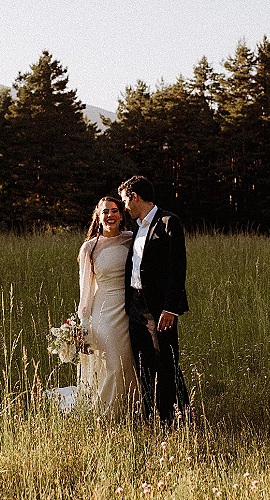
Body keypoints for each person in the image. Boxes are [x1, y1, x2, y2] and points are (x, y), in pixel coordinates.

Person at [118, 176, 190, 422]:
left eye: (125, 201)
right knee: (143, 364)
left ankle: (175, 417)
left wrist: (170, 308)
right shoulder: (137, 227)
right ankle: (151, 415)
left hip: (160, 309)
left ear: (135, 197)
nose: (124, 207)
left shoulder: (169, 222)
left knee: (167, 363)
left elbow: (177, 269)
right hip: (136, 307)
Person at [77, 195, 139, 417]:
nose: (110, 215)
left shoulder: (132, 239)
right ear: (98, 215)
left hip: (130, 309)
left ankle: (132, 408)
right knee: (113, 362)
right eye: (105, 211)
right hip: (104, 311)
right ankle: (107, 413)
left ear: (121, 215)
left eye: (114, 211)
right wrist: (83, 325)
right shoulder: (89, 248)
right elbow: (85, 290)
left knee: (130, 361)